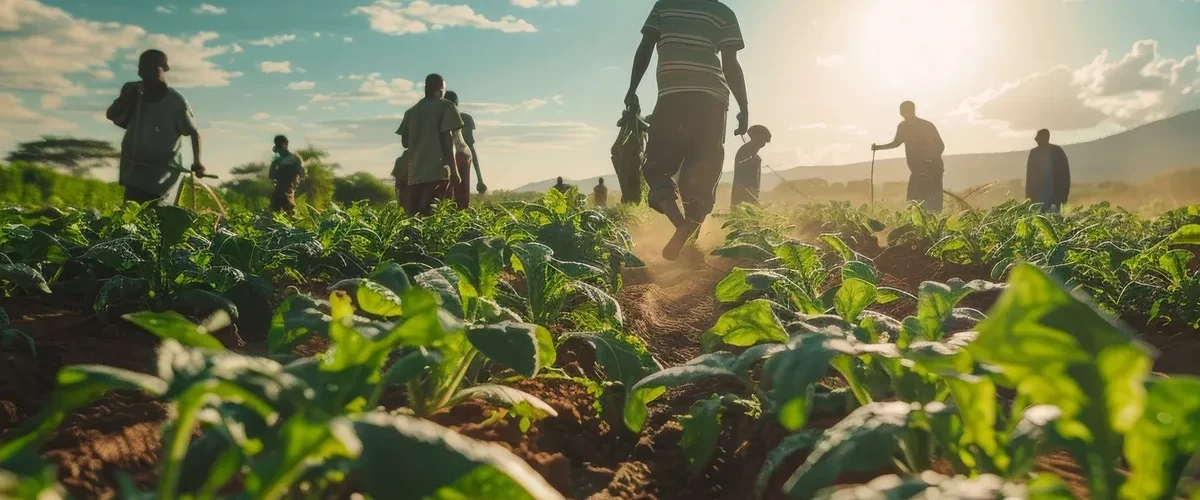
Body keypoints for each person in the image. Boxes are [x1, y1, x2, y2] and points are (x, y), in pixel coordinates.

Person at [625, 0, 750, 261]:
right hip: (712, 99)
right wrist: (744, 106)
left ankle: (681, 227)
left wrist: (632, 89)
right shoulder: (723, 12)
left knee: (657, 167)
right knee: (703, 170)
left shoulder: (664, 6)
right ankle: (688, 237)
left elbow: (645, 46)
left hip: (673, 96)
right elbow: (730, 64)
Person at [106, 49, 205, 205]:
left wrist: (197, 163)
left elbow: (193, 132)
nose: (147, 74)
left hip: (162, 173)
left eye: (152, 69)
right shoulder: (134, 94)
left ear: (163, 69)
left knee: (153, 213)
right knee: (131, 214)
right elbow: (111, 114)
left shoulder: (175, 101)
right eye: (144, 70)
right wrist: (126, 96)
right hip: (135, 168)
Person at [396, 74, 464, 216]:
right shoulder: (447, 106)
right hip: (437, 170)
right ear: (441, 89)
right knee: (432, 212)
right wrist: (454, 170)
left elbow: (405, 142)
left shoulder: (411, 111)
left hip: (414, 171)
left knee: (414, 215)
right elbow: (447, 140)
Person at [872, 101, 945, 212]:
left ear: (912, 110)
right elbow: (896, 143)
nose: (903, 112)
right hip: (917, 171)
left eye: (906, 110)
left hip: (933, 169)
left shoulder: (926, 126)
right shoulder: (903, 127)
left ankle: (933, 226)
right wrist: (878, 148)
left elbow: (940, 146)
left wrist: (928, 160)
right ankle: (916, 226)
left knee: (933, 202)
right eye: (902, 110)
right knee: (913, 201)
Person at [444, 91, 484, 209]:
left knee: (453, 196)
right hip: (456, 158)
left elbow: (469, 147)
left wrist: (480, 179)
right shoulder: (464, 119)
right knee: (455, 196)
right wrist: (480, 179)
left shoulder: (463, 119)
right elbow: (469, 148)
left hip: (453, 158)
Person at [1025, 129, 1071, 213]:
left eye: (1038, 137)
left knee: (1050, 219)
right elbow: (1030, 177)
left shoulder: (1055, 151)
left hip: (1053, 194)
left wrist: (1064, 195)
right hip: (1040, 196)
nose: (1035, 139)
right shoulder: (1056, 151)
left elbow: (1064, 175)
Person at [731, 125, 771, 207]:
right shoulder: (745, 151)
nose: (763, 144)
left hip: (752, 193)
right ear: (754, 138)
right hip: (743, 195)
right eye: (762, 140)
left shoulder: (753, 154)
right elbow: (743, 174)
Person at [268, 135, 304, 215]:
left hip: (288, 187)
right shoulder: (277, 161)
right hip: (282, 188)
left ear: (286, 144)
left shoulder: (293, 159)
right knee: (277, 208)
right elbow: (271, 176)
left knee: (287, 208)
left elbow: (301, 173)